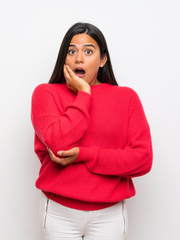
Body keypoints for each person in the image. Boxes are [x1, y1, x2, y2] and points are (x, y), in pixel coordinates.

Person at [31, 22, 153, 240]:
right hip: (60, 213)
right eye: (71, 51)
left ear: (103, 59)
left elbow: (142, 159)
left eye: (88, 51)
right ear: (64, 58)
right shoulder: (45, 94)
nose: (79, 58)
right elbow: (59, 144)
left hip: (110, 215)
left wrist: (86, 155)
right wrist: (85, 94)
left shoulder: (126, 98)